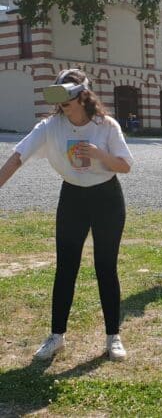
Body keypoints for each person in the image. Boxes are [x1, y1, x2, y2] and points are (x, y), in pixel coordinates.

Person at [0, 69, 133, 361]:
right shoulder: (50, 127)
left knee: (106, 266)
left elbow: (125, 166)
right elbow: (17, 158)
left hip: (107, 199)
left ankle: (113, 336)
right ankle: (56, 336)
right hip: (72, 198)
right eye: (59, 99)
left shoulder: (106, 126)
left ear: (83, 96)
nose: (63, 105)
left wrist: (98, 154)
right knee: (66, 268)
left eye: (68, 98)